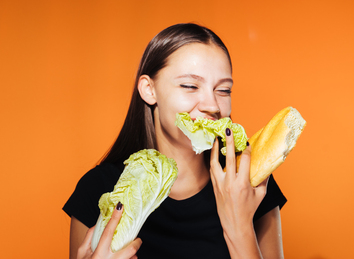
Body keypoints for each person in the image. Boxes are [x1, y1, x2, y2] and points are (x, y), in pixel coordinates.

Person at [63, 23, 287, 259]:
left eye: (223, 90)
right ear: (149, 90)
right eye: (190, 86)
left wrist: (240, 228)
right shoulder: (98, 189)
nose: (212, 105)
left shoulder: (249, 183)